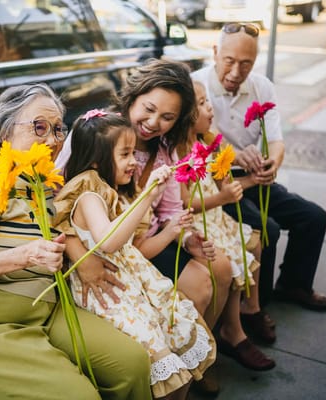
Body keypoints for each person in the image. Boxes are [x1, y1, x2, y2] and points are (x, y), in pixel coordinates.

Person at [0, 83, 152, 400]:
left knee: (133, 364)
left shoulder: (44, 184)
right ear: (6, 132)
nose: (52, 139)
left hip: (46, 313)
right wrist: (26, 255)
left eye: (58, 129)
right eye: (39, 127)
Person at [54, 110, 216, 400]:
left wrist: (168, 227)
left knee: (173, 344)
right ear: (95, 159)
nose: (133, 162)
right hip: (109, 297)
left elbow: (130, 246)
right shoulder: (89, 195)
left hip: (132, 288)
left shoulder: (109, 193)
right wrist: (147, 194)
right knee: (160, 359)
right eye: (125, 154)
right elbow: (109, 242)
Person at [191, 22, 326, 311]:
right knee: (267, 229)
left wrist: (272, 165)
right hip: (217, 182)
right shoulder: (196, 85)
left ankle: (294, 285)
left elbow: (277, 140)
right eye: (229, 61)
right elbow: (204, 137)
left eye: (246, 64)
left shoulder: (262, 86)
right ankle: (256, 308)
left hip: (255, 176)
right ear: (215, 52)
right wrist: (234, 155)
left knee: (313, 217)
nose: (235, 72)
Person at [178, 80, 276, 363]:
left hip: (217, 217)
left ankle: (250, 310)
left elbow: (226, 181)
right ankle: (233, 331)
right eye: (201, 104)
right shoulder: (180, 154)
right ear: (186, 115)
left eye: (207, 101)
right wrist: (223, 197)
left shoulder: (207, 142)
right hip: (200, 221)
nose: (210, 108)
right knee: (234, 256)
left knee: (254, 243)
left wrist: (246, 181)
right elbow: (186, 202)